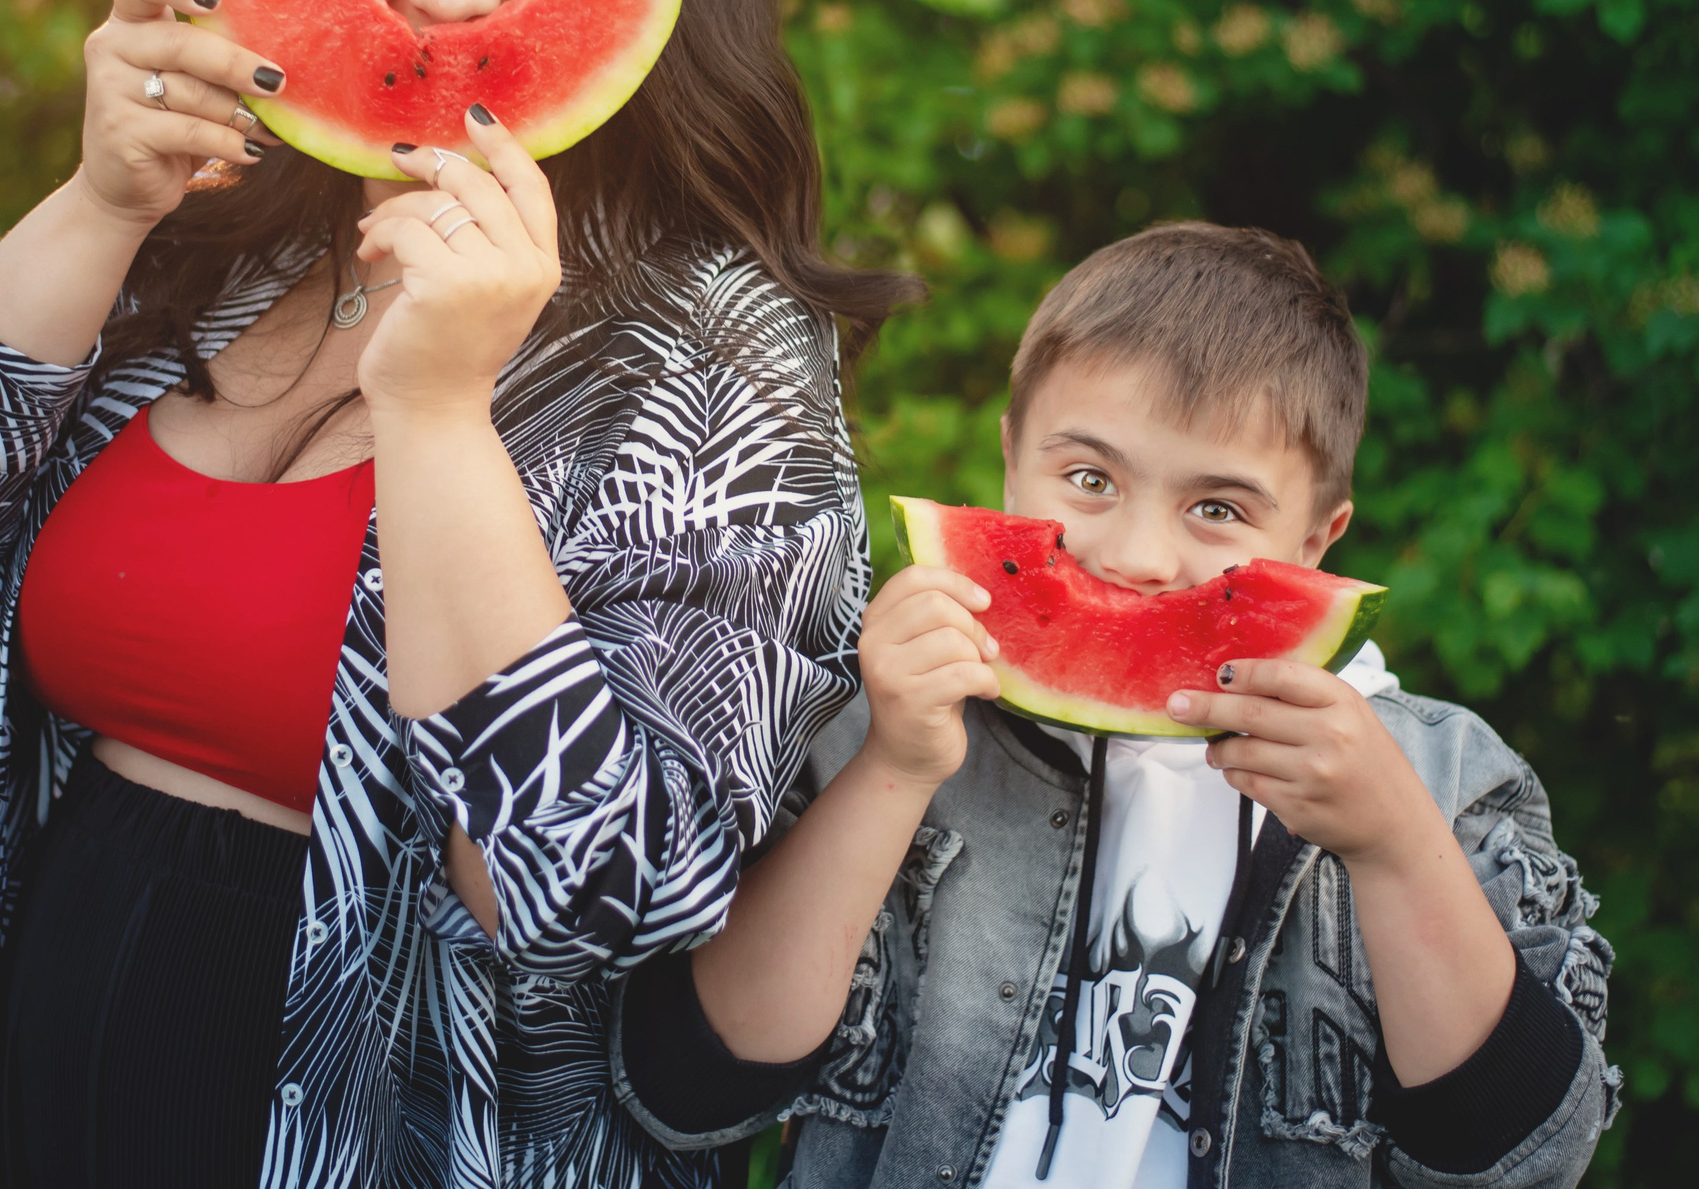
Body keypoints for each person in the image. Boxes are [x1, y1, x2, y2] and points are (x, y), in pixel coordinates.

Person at [0, 0, 914, 1189]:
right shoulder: (216, 240)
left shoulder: (714, 348)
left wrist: (443, 414)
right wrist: (98, 203)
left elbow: (590, 896)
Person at [611, 223, 1618, 1189]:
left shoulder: (1440, 778)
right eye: (1088, 477)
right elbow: (690, 1089)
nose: (1136, 554)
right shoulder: (887, 717)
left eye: (1216, 507)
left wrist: (1395, 845)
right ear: (1010, 457)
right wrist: (892, 769)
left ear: (1319, 537)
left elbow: (1524, 1157)